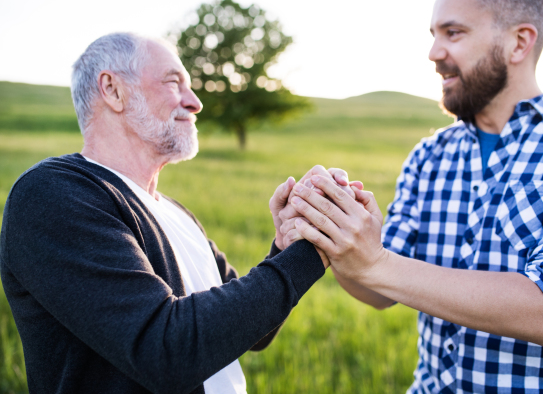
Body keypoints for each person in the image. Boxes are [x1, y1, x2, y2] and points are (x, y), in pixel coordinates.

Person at [280, 0, 543, 392]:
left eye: (454, 33)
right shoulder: (431, 154)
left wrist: (376, 262)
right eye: (434, 34)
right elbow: (377, 290)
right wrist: (332, 237)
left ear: (519, 42)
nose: (434, 52)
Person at [0, 32, 347, 394]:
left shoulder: (178, 214)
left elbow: (250, 332)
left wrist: (291, 242)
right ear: (113, 90)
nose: (195, 102)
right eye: (174, 82)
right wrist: (314, 250)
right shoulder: (53, 195)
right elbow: (166, 351)